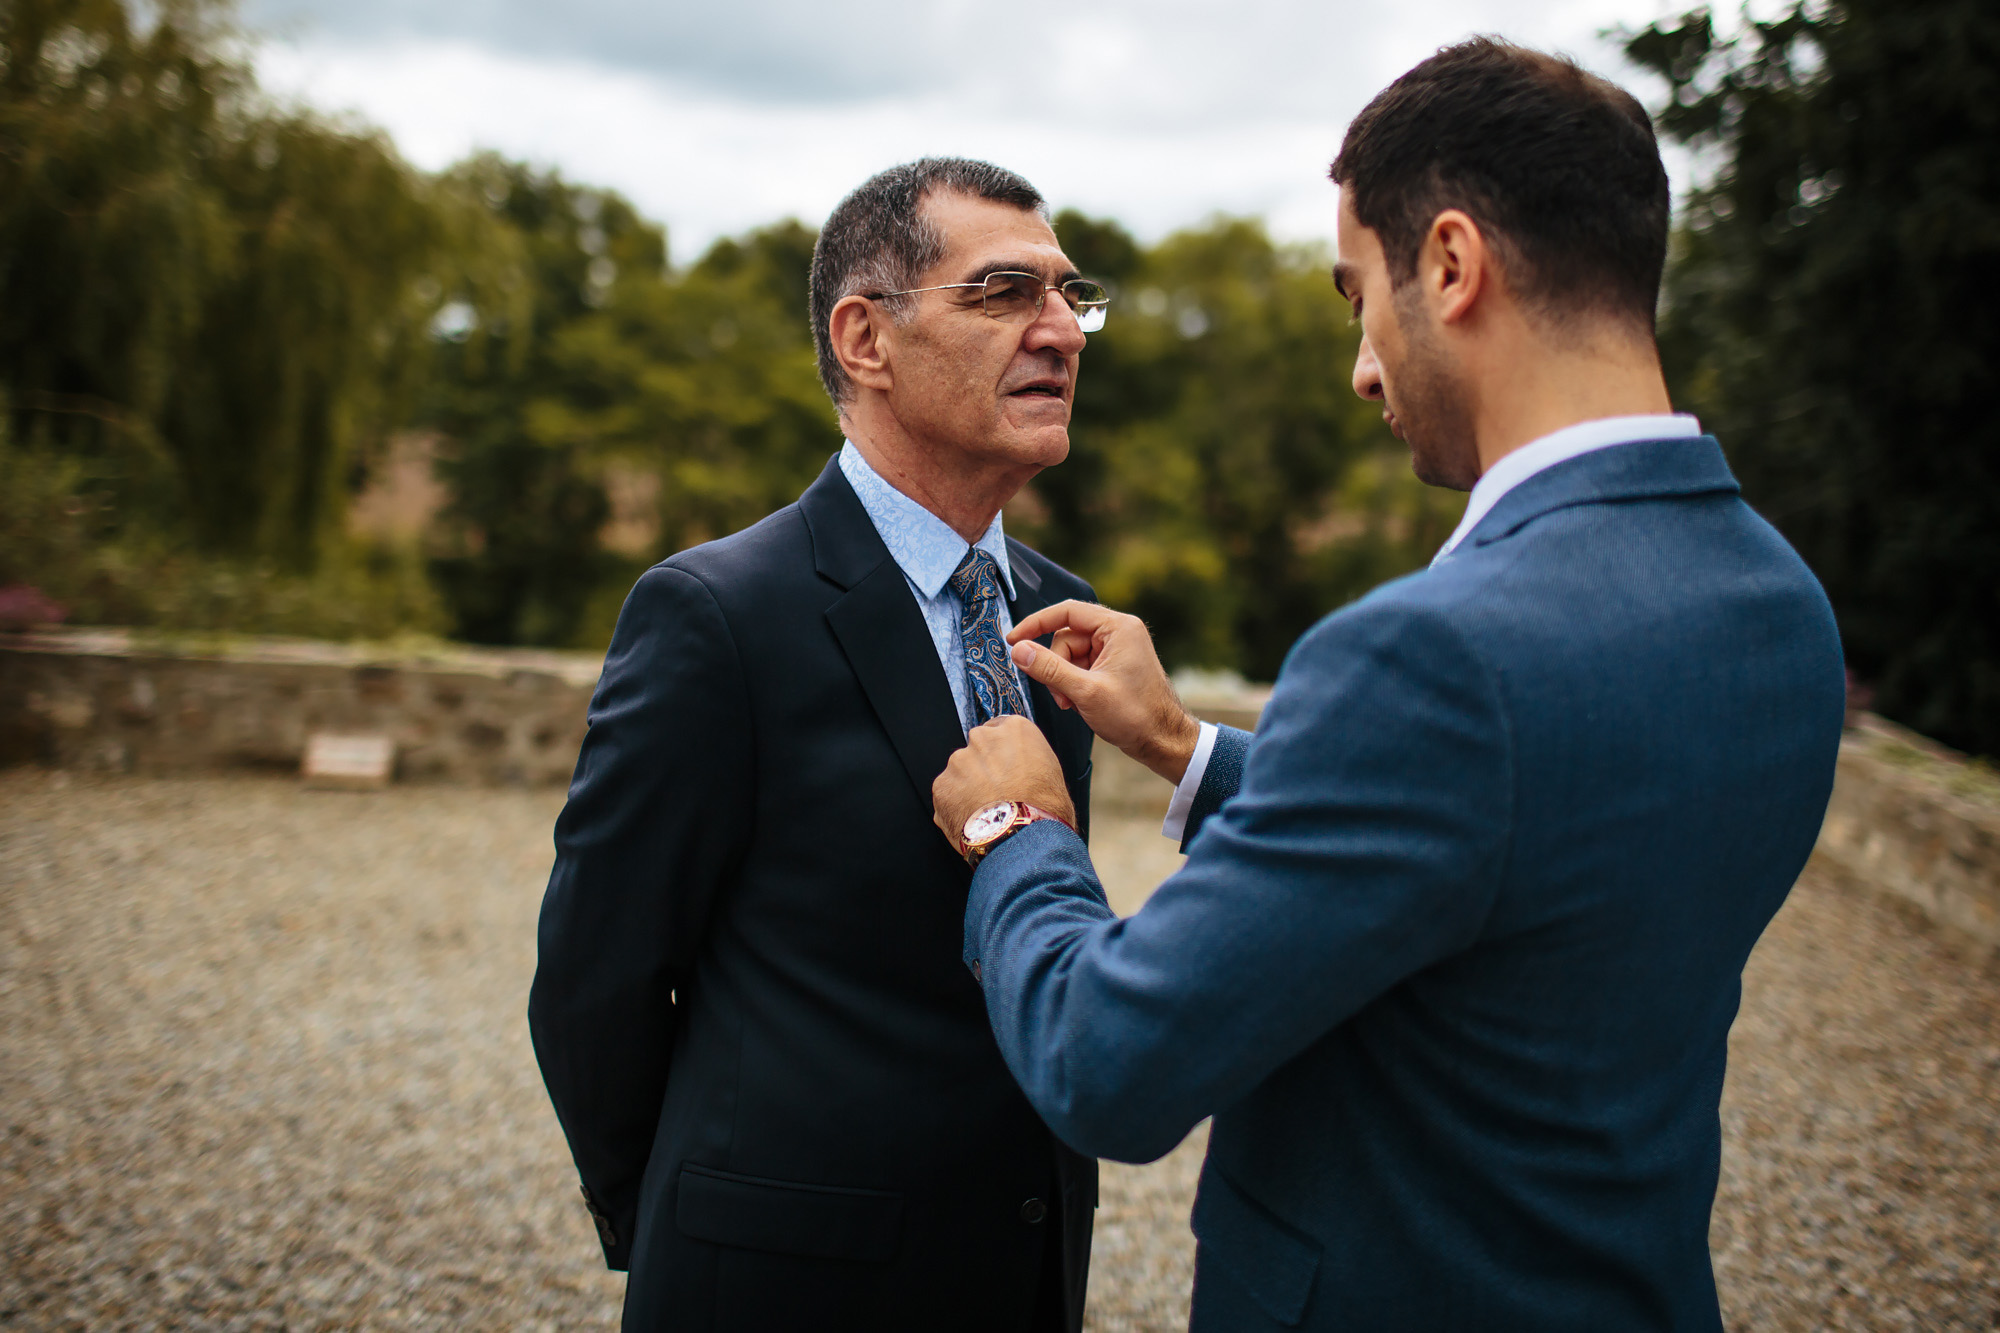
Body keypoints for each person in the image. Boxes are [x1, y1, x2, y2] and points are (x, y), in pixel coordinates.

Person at [930, 40, 1846, 1333]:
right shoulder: (1777, 604)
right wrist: (1190, 746)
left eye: (1358, 296)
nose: (1363, 366)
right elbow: (1529, 836)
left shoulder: (1434, 657)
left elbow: (1109, 1061)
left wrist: (1019, 832)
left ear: (1454, 267)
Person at [529, 158, 1112, 1333]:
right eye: (1003, 292)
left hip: (1020, 1276)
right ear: (864, 339)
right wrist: (689, 1222)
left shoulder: (1064, 618)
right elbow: (598, 980)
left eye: (1070, 294)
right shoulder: (715, 614)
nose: (1059, 328)